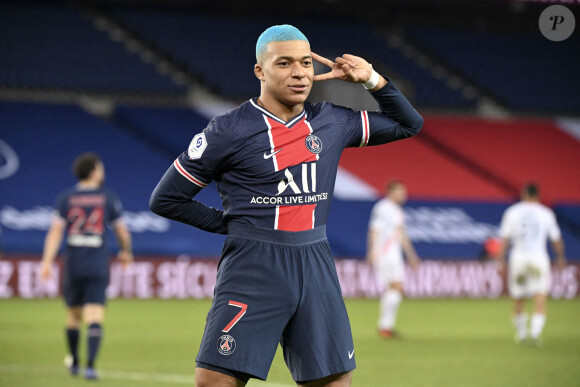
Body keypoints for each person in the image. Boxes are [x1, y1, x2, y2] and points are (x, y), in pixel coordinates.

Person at [149, 24, 423, 386]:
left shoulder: (333, 120)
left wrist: (370, 78)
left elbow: (409, 124)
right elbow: (166, 199)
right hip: (253, 265)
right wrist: (230, 223)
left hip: (315, 264)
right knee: (215, 382)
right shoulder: (227, 131)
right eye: (285, 63)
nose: (299, 72)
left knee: (335, 382)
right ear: (260, 71)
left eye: (306, 63)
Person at [40, 152, 133, 379]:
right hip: (97, 264)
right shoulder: (107, 198)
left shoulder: (66, 198)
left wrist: (47, 261)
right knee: (94, 315)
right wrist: (126, 251)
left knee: (72, 315)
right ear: (94, 172)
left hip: (73, 264)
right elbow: (121, 231)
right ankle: (90, 366)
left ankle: (74, 362)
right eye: (100, 168)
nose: (103, 172)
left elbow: (55, 232)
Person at [497, 182, 566, 345]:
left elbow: (504, 239)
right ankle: (535, 335)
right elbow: (556, 240)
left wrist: (500, 260)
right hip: (538, 258)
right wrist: (560, 258)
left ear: (523, 194)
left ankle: (522, 335)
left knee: (519, 297)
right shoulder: (546, 213)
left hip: (518, 257)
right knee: (540, 295)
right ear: (538, 195)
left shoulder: (512, 212)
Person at [367, 180, 420, 339]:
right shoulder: (383, 208)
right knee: (395, 287)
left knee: (396, 289)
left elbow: (401, 235)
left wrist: (411, 256)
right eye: (399, 192)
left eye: (403, 192)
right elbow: (374, 230)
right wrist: (373, 251)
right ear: (390, 192)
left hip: (394, 254)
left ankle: (386, 326)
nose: (403, 195)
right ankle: (385, 327)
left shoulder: (397, 211)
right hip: (385, 254)